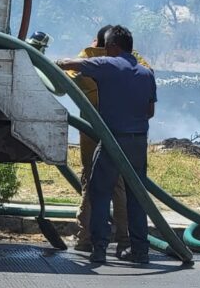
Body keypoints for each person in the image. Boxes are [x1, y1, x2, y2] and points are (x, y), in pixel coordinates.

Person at [57, 25, 157, 264]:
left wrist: (58, 61)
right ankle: (140, 251)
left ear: (110, 47)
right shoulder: (147, 73)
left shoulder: (106, 64)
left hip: (112, 140)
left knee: (99, 192)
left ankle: (99, 248)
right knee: (137, 196)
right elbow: (150, 112)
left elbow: (70, 65)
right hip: (138, 141)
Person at [68, 25, 130, 255]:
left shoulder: (87, 59)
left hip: (91, 132)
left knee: (90, 182)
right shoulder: (129, 63)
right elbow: (144, 70)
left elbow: (67, 77)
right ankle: (125, 240)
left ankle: (86, 238)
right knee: (119, 184)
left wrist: (93, 50)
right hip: (120, 130)